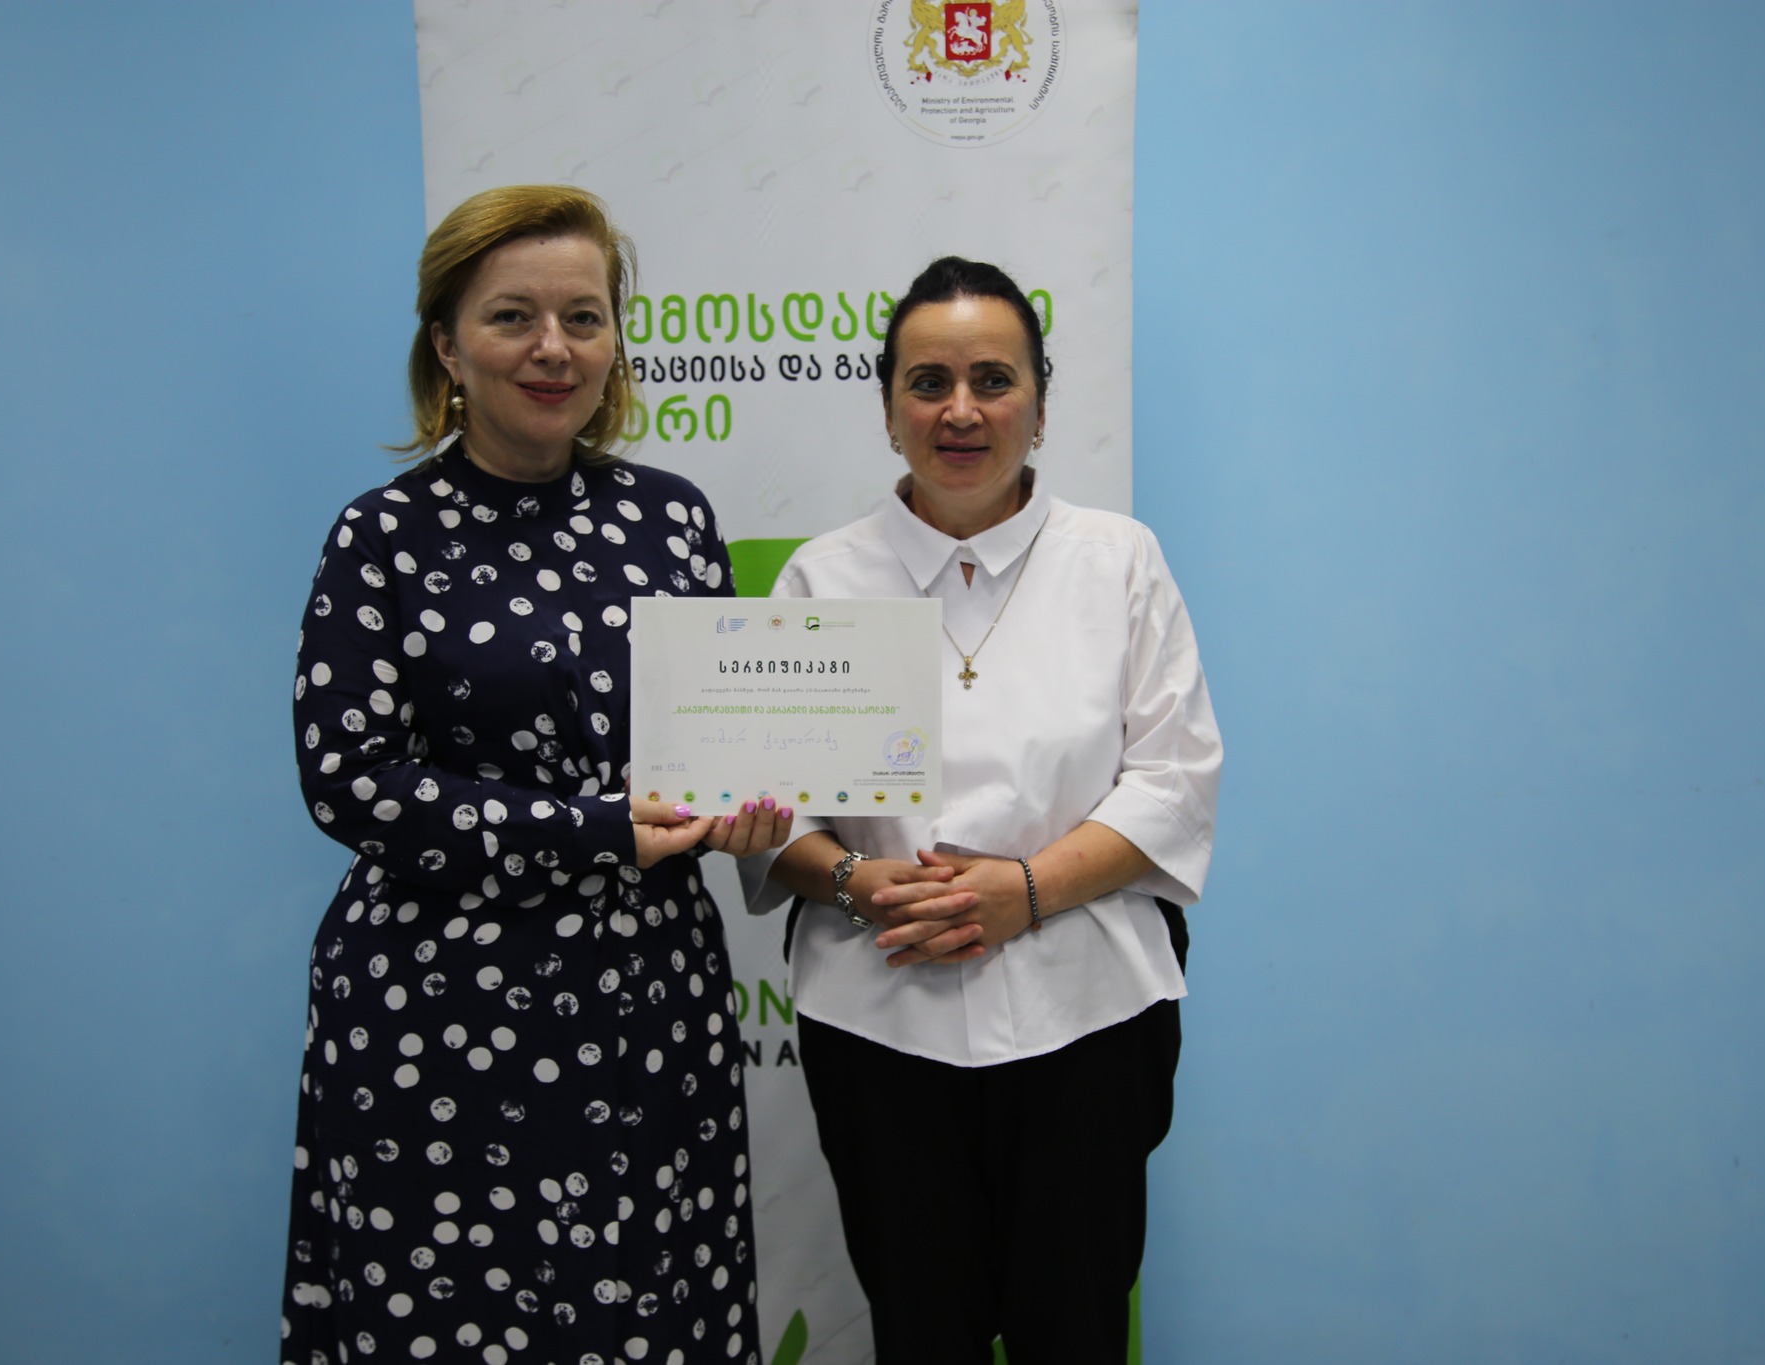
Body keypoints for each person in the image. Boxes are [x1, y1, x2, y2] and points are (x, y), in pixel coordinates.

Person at [281, 185, 784, 1365]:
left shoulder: (671, 520)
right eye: (512, 317)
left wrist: (748, 807)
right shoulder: (381, 536)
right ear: (447, 346)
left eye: (583, 317)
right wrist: (590, 827)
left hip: (649, 995)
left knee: (647, 1302)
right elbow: (348, 778)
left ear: (614, 343)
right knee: (452, 1313)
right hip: (442, 1009)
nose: (553, 348)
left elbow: (714, 739)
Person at [741, 257, 1222, 1364]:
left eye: (992, 380)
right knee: (922, 1334)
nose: (959, 409)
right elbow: (778, 814)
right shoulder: (821, 579)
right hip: (879, 1023)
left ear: (1039, 407)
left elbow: (1174, 776)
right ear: (888, 410)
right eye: (928, 383)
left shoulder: (1118, 562)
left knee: (1076, 1331)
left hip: (1090, 1018)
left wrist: (1024, 891)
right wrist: (855, 880)